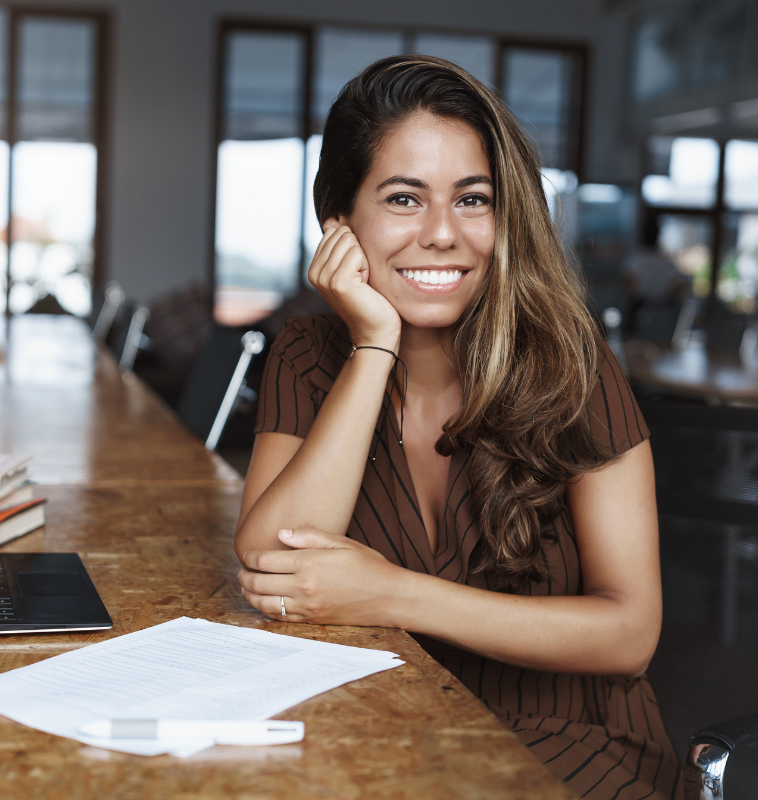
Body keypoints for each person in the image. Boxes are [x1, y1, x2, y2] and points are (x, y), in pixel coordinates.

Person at [235, 55, 682, 799]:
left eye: (472, 200)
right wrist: (373, 347)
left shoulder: (571, 363)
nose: (444, 234)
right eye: (405, 199)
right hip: (384, 737)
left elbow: (630, 634)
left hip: (574, 745)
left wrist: (392, 594)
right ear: (339, 222)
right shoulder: (309, 357)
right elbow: (270, 567)